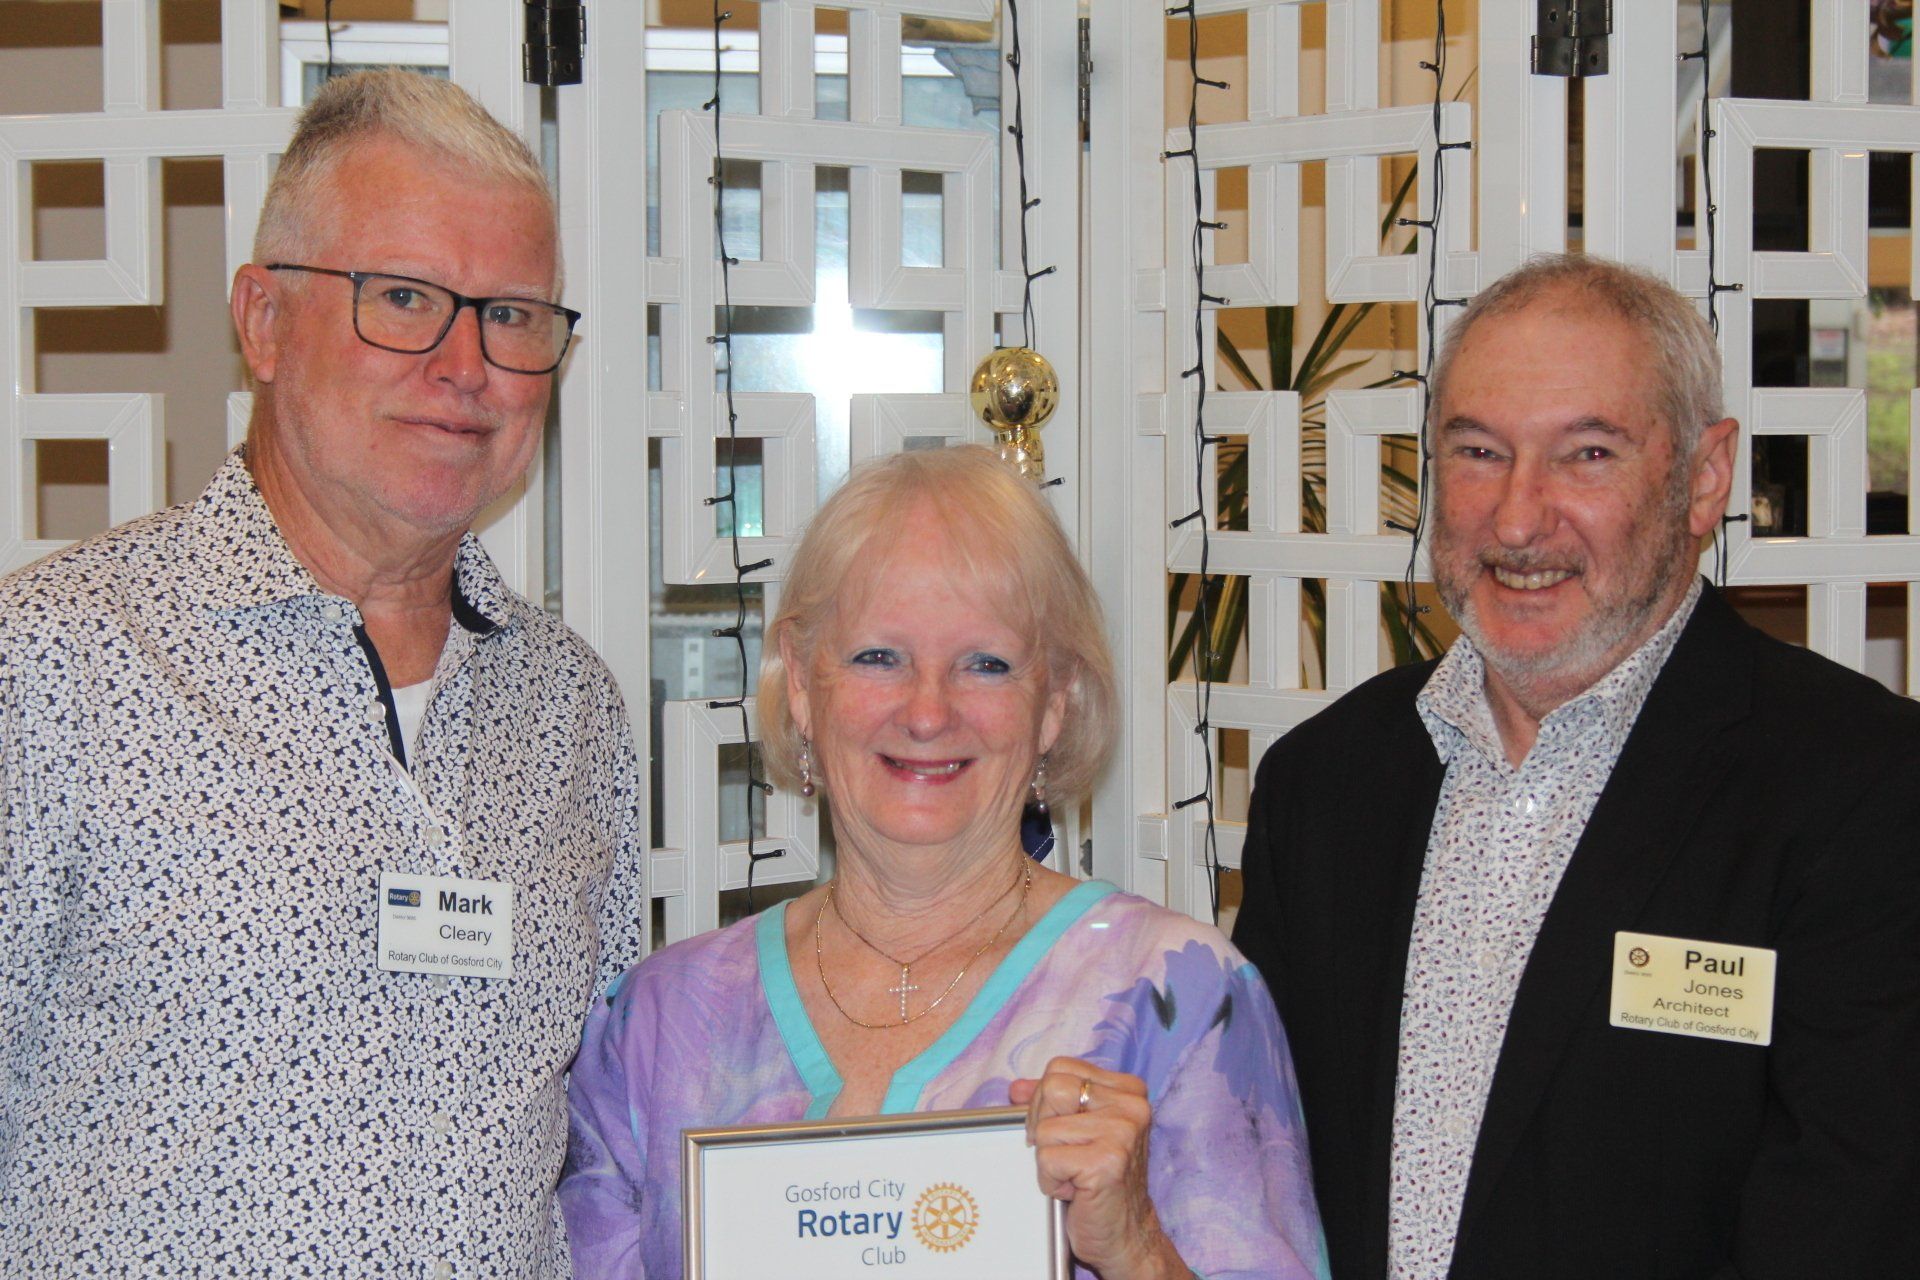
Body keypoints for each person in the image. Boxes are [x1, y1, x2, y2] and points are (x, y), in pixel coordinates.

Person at [0, 72, 645, 1277]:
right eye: (402, 297)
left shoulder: (573, 710)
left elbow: (607, 1141)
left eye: (512, 315)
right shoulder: (50, 664)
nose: (466, 364)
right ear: (263, 320)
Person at [1233, 254, 1920, 1279]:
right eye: (1479, 451)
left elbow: (1850, 1224)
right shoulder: (1322, 784)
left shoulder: (1862, 790)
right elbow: (1259, 1175)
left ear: (1703, 478)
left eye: (1587, 454)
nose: (1517, 518)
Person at [560, 445, 1328, 1280]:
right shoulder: (658, 1025)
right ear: (805, 685)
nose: (928, 712)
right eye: (878, 657)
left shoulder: (1181, 1000)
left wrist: (1139, 1249)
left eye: (985, 664)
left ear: (1055, 702)